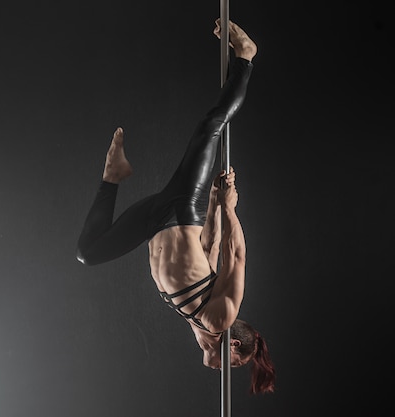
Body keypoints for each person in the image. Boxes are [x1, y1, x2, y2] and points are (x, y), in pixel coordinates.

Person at [76, 19, 275, 394]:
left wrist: (217, 207)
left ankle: (113, 175)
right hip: (182, 209)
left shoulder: (202, 327)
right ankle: (246, 57)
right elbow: (235, 256)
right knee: (210, 126)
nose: (223, 372)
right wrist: (226, 205)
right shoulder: (222, 317)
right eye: (233, 366)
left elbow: (209, 249)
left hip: (156, 222)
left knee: (88, 252)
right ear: (233, 344)